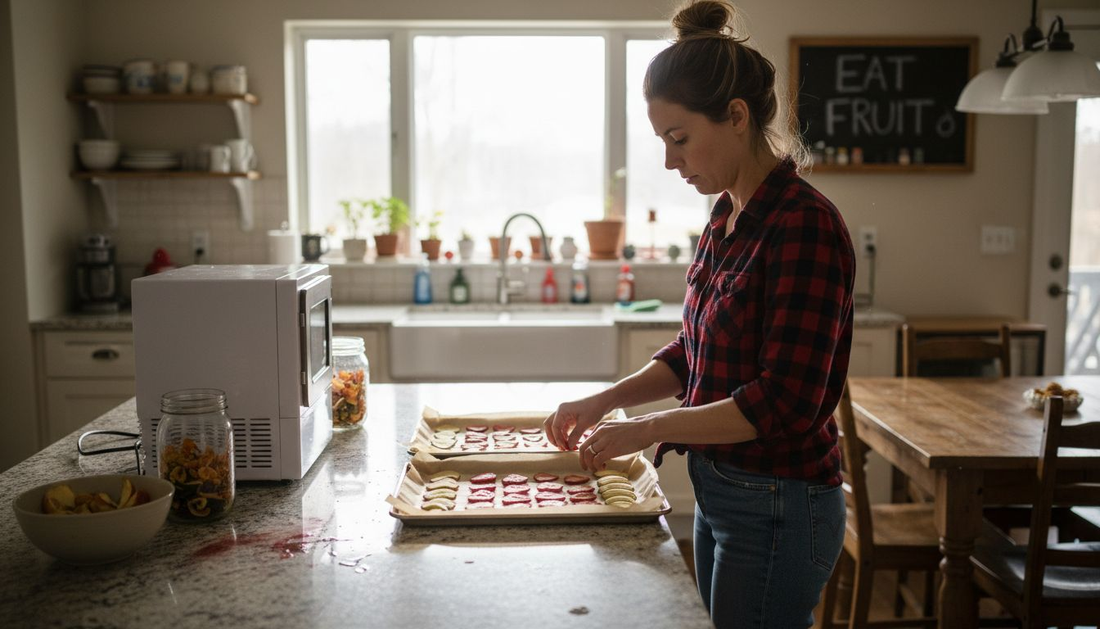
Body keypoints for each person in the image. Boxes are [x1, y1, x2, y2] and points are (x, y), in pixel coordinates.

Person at [543, 1, 855, 627]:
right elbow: (694, 351)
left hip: (780, 502)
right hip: (724, 489)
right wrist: (608, 400)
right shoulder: (726, 217)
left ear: (736, 116)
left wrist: (647, 430)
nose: (669, 161)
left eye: (679, 139)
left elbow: (784, 402)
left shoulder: (805, 226)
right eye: (663, 141)